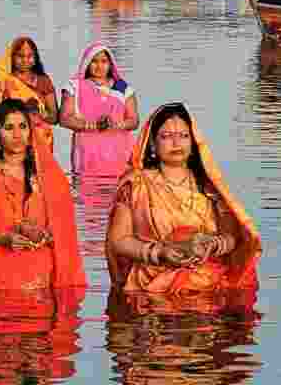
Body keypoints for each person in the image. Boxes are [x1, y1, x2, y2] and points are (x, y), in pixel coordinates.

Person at [106, 103, 261, 311]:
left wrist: (211, 245)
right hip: (151, 289)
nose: (176, 143)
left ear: (194, 142)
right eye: (167, 136)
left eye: (183, 136)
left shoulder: (209, 187)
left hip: (209, 285)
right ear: (152, 143)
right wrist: (160, 252)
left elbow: (233, 236)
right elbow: (118, 240)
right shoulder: (135, 184)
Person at [0, 98, 87, 291]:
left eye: (23, 126)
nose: (17, 134)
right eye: (9, 128)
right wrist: (2, 239)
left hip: (40, 277)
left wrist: (43, 235)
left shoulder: (49, 179)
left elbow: (63, 234)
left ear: (31, 131)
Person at [59, 42, 138, 177]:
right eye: (94, 61)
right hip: (87, 154)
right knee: (86, 193)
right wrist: (92, 125)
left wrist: (117, 125)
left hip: (121, 153)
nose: (99, 66)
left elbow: (134, 121)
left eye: (104, 61)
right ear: (87, 63)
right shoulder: (74, 86)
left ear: (110, 64)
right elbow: (64, 119)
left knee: (121, 193)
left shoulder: (122, 87)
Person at [0, 37, 59, 152]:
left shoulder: (43, 81)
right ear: (11, 57)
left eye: (30, 56)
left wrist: (38, 115)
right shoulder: (2, 82)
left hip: (40, 139)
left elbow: (54, 117)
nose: (25, 60)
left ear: (35, 58)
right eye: (20, 56)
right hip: (12, 138)